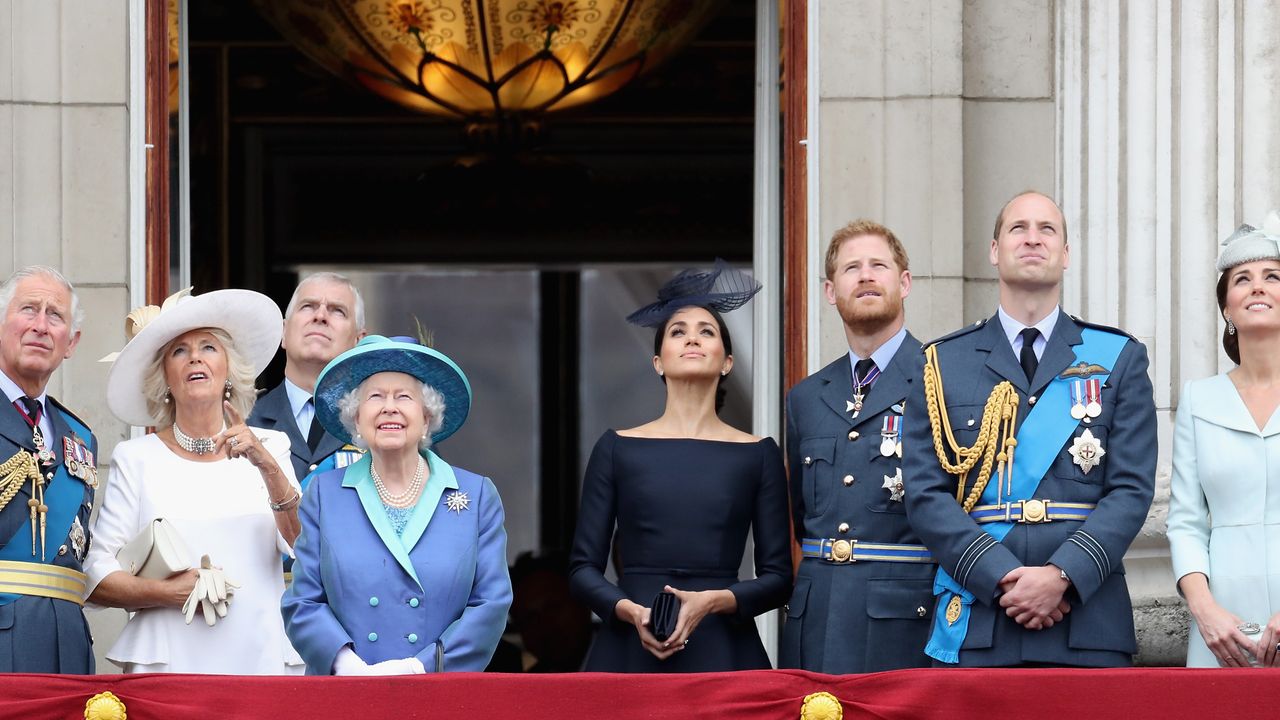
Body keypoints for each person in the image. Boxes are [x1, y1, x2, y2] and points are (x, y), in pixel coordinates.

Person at [902, 191, 1156, 667]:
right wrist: (1001, 576)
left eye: (1047, 229)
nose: (1033, 239)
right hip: (980, 616)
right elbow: (925, 494)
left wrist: (1062, 574)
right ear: (995, 250)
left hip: (1085, 619)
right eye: (1018, 228)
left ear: (1065, 254)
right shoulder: (943, 362)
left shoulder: (1118, 357)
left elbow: (1131, 489)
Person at [568, 260, 791, 672]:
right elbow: (582, 570)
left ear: (727, 362)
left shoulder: (758, 453)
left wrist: (715, 601)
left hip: (723, 645)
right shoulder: (617, 448)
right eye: (677, 332)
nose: (692, 339)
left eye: (707, 331)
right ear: (658, 362)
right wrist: (630, 612)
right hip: (629, 645)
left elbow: (778, 578)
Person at [85, 288, 305, 674]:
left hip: (259, 656)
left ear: (228, 373)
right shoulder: (136, 458)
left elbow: (304, 544)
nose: (195, 357)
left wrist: (266, 465)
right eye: (179, 351)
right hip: (168, 663)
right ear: (166, 379)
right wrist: (168, 593)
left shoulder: (271, 446)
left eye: (208, 347)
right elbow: (97, 575)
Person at [282, 335, 512, 674]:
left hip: (440, 693)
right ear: (357, 420)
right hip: (346, 693)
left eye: (403, 396)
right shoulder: (324, 494)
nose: (389, 406)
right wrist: (347, 666)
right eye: (375, 396)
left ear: (427, 417)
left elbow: (491, 604)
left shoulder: (476, 495)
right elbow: (302, 601)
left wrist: (421, 668)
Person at [779, 220, 935, 673]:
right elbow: (801, 517)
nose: (865, 276)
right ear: (831, 291)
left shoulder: (941, 378)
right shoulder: (806, 397)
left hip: (904, 618)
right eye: (851, 268)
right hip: (817, 615)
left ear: (903, 283)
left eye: (878, 266)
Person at [1168, 210, 1280, 668]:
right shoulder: (1199, 400)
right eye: (1242, 279)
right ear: (1227, 309)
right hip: (1221, 624)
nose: (1257, 286)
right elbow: (1186, 523)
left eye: (1272, 276)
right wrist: (1205, 611)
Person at [0, 266, 96, 673]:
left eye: (55, 315)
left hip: (67, 644)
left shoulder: (81, 436)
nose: (40, 325)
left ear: (70, 342)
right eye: (28, 310)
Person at [248, 272, 367, 488]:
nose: (320, 316)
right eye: (308, 306)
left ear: (358, 342)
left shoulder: (382, 422)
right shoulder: (244, 419)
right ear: (284, 332)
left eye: (337, 310)